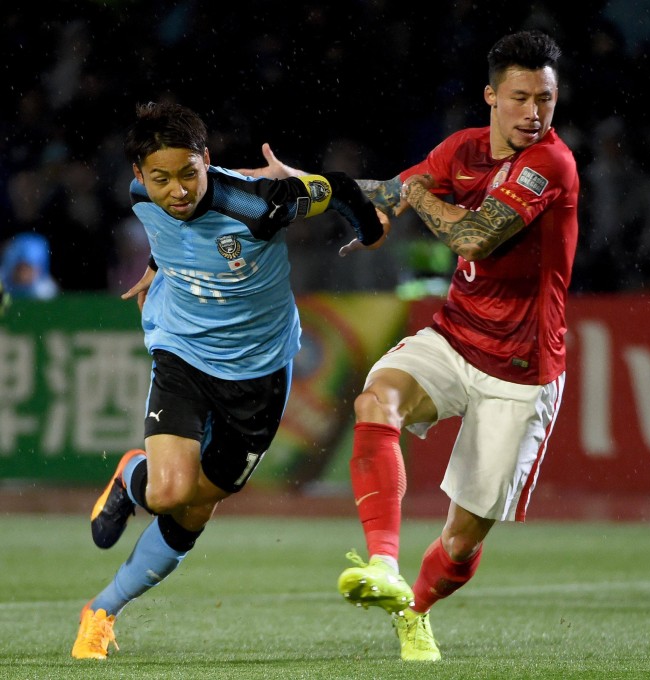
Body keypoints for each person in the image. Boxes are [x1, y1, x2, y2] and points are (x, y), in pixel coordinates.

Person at [244, 29, 578, 661]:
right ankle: (384, 564)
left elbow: (474, 238)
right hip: (456, 336)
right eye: (520, 97)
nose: (534, 112)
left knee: (460, 540)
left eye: (545, 98)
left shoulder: (551, 164)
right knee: (376, 401)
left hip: (523, 368)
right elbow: (390, 195)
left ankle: (414, 611)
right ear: (491, 96)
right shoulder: (463, 149)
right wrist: (305, 186)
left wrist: (421, 196)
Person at [71, 101, 388, 660]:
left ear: (207, 161)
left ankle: (103, 597)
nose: (177, 191)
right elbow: (169, 237)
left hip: (260, 373)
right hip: (183, 353)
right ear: (139, 176)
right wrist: (154, 269)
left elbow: (338, 187)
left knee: (195, 506)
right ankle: (107, 592)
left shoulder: (258, 205)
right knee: (170, 490)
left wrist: (370, 229)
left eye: (189, 174)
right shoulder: (140, 195)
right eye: (161, 178)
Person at [0, 232, 60, 300]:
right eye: (21, 268)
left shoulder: (47, 292)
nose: (24, 274)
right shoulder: (2, 282)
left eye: (29, 268)